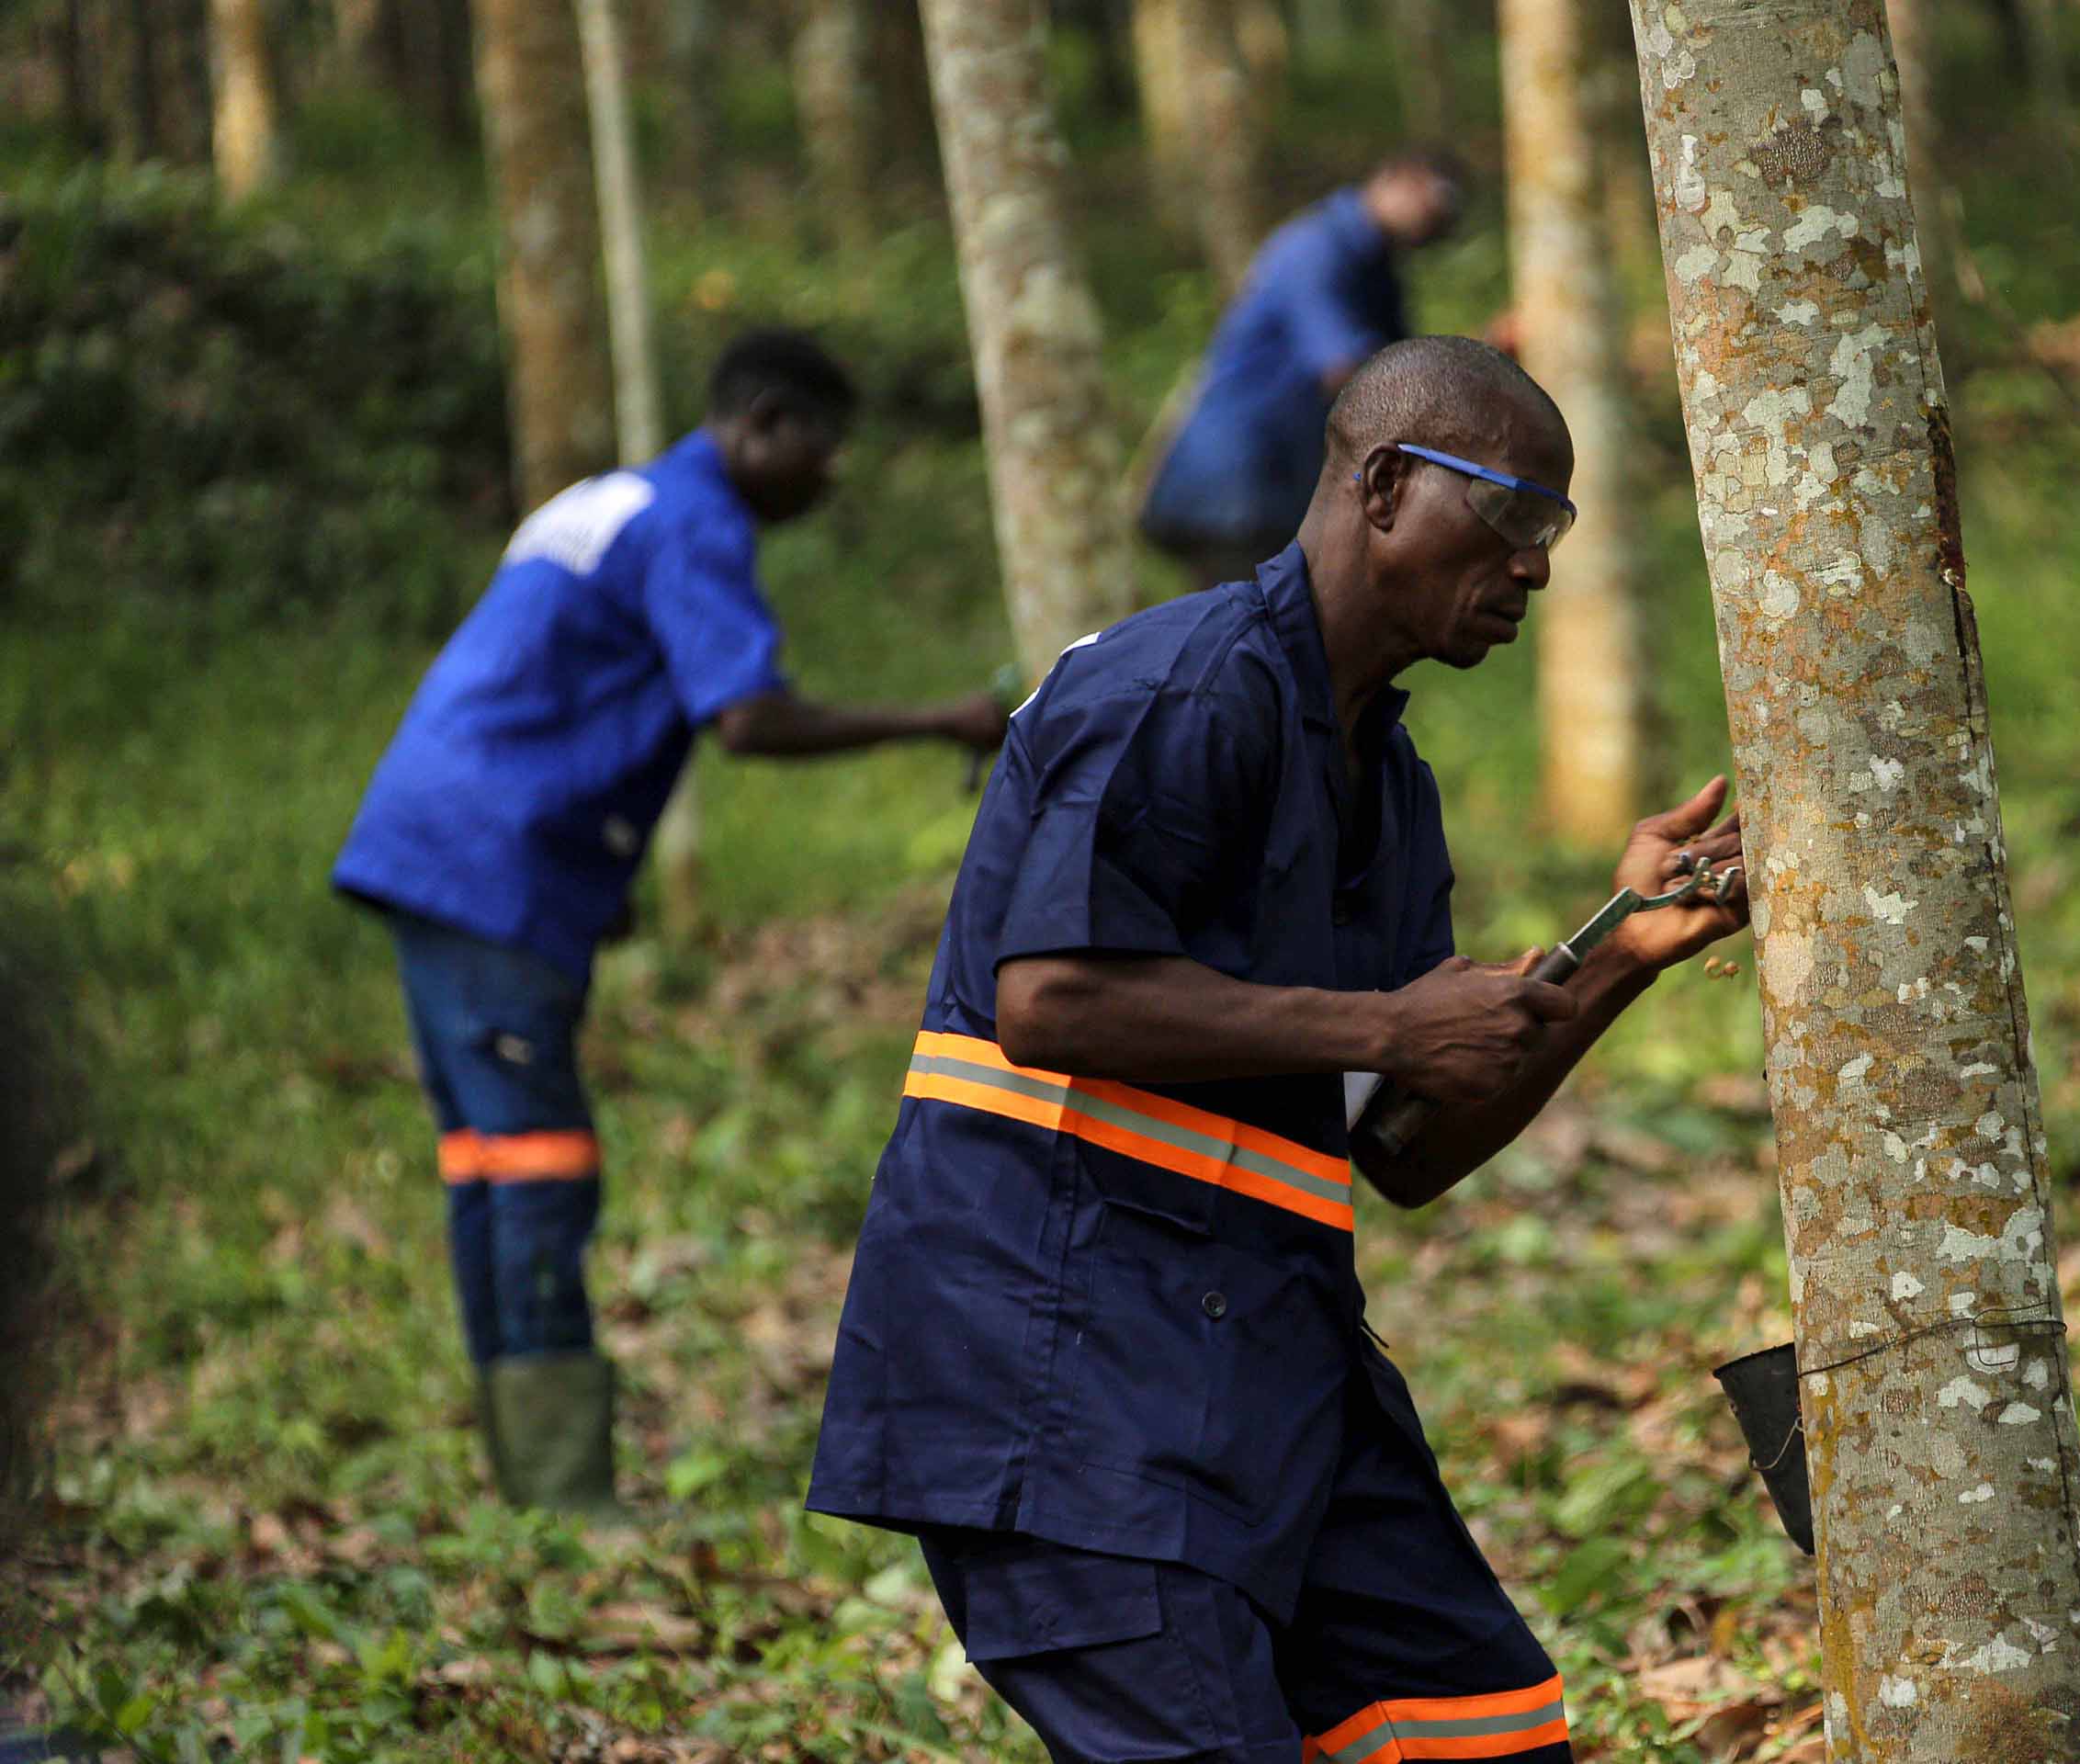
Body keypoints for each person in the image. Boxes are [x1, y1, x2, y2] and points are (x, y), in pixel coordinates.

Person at [808, 336, 1748, 1761]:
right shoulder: (1181, 691)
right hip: (1067, 1388)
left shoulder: (1391, 784)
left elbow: (1405, 1143)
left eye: (1554, 531)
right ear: (1385, 486)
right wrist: (1388, 1022)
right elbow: (1049, 1003)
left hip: (1264, 1376)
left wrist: (1621, 952)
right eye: (1512, 513)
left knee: (1484, 1734)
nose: (1535, 567)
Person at [333, 330, 1008, 1516]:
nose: (829, 474)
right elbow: (749, 720)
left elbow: (568, 687)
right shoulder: (696, 521)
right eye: (820, 447)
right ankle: (561, 1493)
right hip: (493, 860)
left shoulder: (612, 499)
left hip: (433, 841)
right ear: (760, 422)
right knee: (538, 1162)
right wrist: (939, 720)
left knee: (487, 1159)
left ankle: (525, 1472)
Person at [1137, 154, 1464, 588]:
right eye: (1432, 201)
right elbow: (1346, 369)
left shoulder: (1376, 265)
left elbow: (1407, 364)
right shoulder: (1316, 249)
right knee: (1249, 622)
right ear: (1394, 178)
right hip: (1234, 489)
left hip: (1278, 490)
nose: (1437, 221)